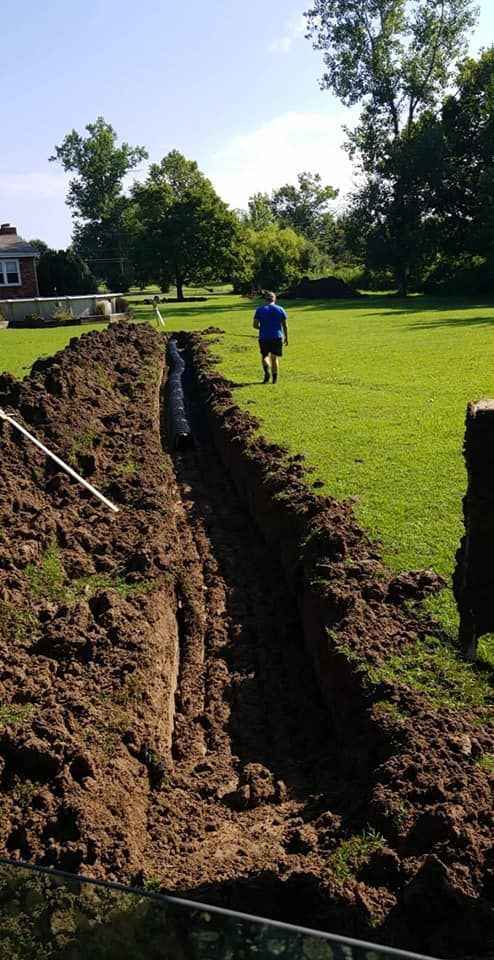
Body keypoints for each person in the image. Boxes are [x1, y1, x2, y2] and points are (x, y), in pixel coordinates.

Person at [252, 291, 288, 384]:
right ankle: (275, 379)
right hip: (277, 336)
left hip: (264, 337)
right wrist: (286, 337)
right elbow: (285, 325)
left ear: (265, 299)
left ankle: (267, 372)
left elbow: (255, 325)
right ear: (274, 299)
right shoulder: (280, 309)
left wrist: (262, 328)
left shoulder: (260, 309)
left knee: (264, 356)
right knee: (274, 358)